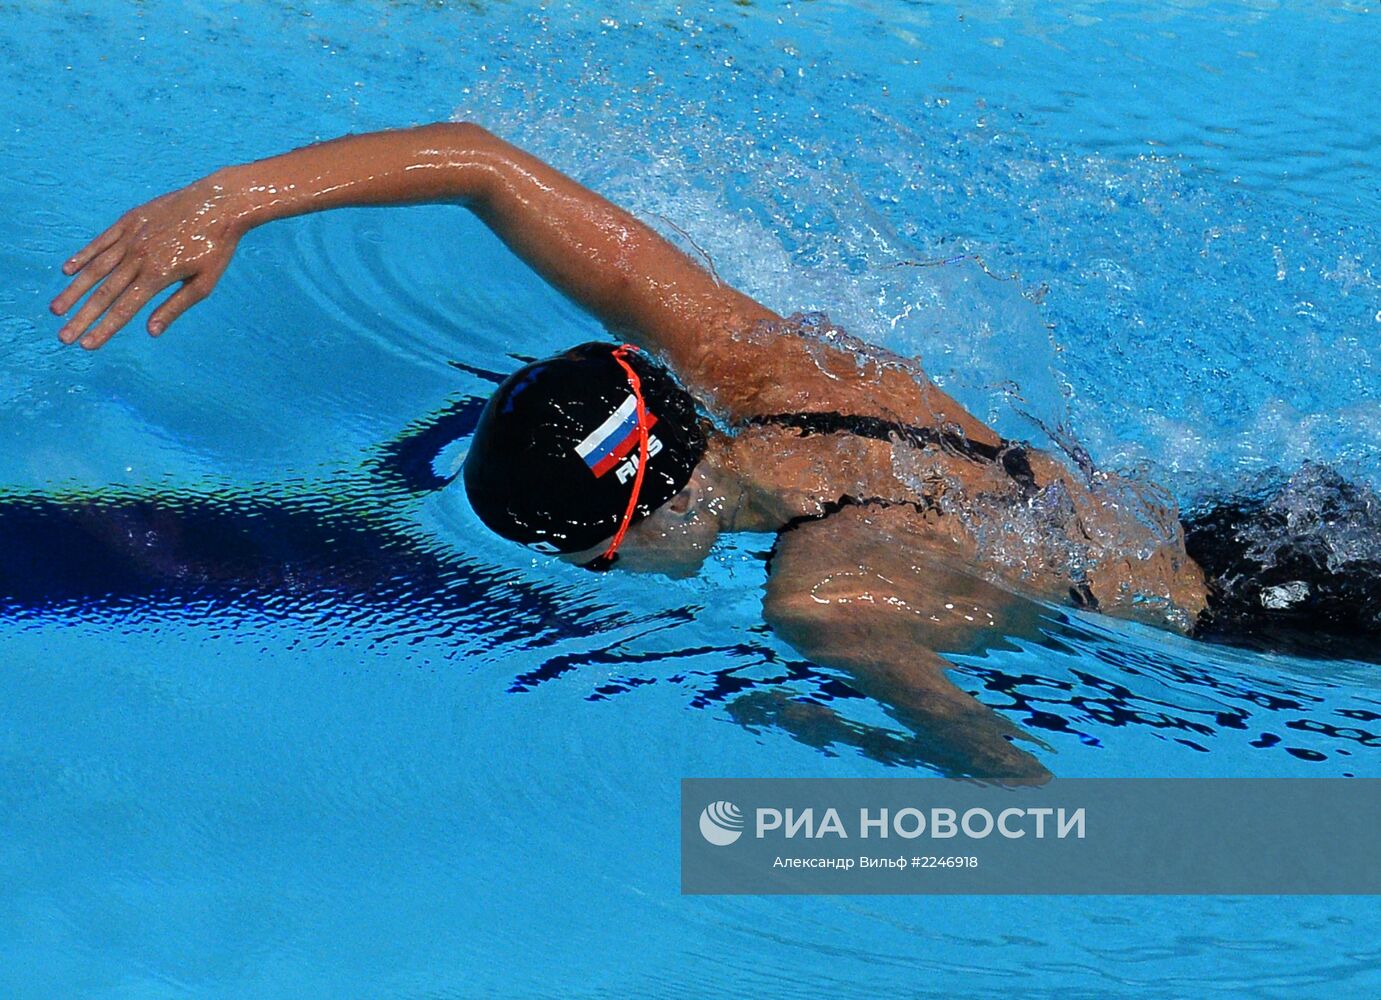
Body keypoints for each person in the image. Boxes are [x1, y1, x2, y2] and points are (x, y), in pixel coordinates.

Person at [48, 123, 1380, 783]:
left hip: (1295, 635)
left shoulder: (829, 598)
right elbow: (476, 160)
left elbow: (1020, 787)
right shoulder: (775, 371)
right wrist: (222, 201)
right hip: (1281, 515)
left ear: (621, 535)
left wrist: (842, 733)